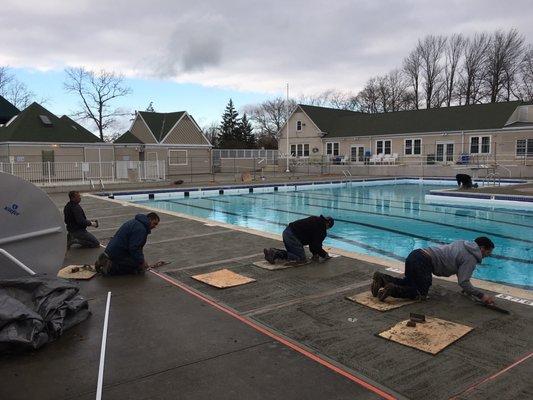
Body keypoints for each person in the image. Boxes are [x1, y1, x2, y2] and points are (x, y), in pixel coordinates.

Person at [371, 237, 495, 305]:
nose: (488, 256)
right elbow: (463, 281)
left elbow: (459, 270)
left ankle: (383, 279)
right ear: (482, 248)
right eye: (488, 252)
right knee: (420, 294)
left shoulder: (462, 243)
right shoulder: (471, 258)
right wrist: (482, 295)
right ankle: (392, 289)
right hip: (424, 263)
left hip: (416, 254)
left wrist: (469, 290)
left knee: (409, 282)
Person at [95, 212, 160, 276]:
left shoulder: (135, 222)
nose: (155, 226)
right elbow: (134, 248)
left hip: (112, 251)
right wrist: (142, 261)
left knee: (137, 261)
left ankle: (105, 259)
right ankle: (110, 267)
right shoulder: (141, 229)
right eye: (154, 223)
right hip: (117, 254)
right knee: (138, 267)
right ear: (149, 219)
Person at [264, 215, 334, 265]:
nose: (327, 229)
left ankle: (273, 252)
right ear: (327, 224)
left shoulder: (315, 219)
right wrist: (324, 255)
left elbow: (313, 243)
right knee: (301, 259)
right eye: (328, 228)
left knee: (294, 254)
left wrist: (315, 254)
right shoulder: (321, 229)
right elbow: (316, 245)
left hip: (287, 232)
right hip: (292, 237)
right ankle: (275, 253)